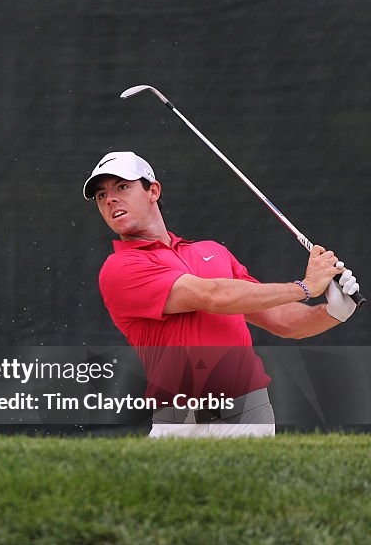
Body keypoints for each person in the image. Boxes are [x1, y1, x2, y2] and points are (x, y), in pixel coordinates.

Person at [83, 151, 360, 438]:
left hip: (250, 411)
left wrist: (334, 312)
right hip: (183, 420)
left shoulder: (212, 251)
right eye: (101, 195)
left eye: (122, 187)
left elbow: (282, 320)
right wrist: (304, 287)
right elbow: (211, 296)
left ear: (153, 190)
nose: (110, 199)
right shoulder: (121, 268)